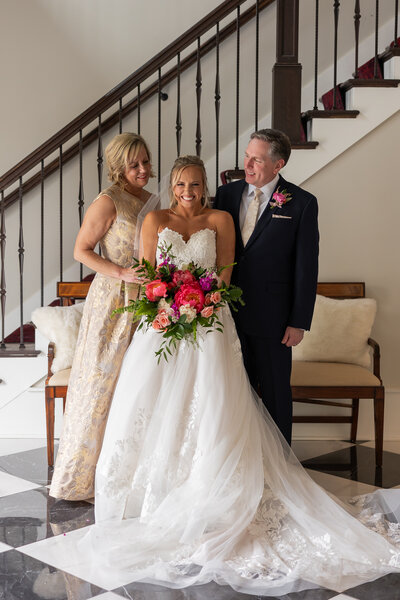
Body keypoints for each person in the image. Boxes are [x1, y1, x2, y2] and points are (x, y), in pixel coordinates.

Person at [77, 155, 400, 597]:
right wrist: (167, 304)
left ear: (205, 185)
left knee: (216, 403)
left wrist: (204, 301)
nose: (188, 191)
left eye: (195, 184)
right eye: (180, 184)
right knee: (152, 404)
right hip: (163, 323)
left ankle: (217, 488)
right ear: (171, 185)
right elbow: (150, 272)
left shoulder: (221, 219)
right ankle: (154, 492)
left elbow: (226, 270)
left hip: (211, 320)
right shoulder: (153, 218)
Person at [50, 132, 158, 501]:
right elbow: (81, 251)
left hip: (149, 301)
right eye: (134, 165)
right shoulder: (108, 201)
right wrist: (122, 273)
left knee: (139, 384)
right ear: (118, 169)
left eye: (145, 160)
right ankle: (83, 478)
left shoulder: (154, 200)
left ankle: (128, 473)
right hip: (113, 301)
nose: (143, 169)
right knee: (102, 383)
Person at [214, 129, 319, 445]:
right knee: (233, 394)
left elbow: (306, 267)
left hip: (274, 320)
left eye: (256, 159)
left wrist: (298, 321)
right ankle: (240, 463)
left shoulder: (301, 203)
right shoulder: (226, 196)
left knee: (275, 395)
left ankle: (280, 465)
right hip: (226, 317)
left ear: (278, 164)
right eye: (247, 156)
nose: (247, 164)